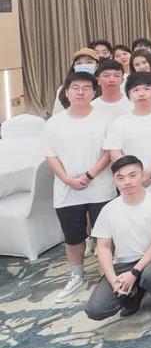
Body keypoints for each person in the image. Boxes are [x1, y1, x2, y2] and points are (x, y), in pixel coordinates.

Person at [44, 72, 115, 302]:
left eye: (86, 88)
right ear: (66, 92)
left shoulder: (105, 119)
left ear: (94, 92)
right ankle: (77, 275)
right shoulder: (54, 123)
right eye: (75, 88)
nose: (80, 92)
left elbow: (109, 152)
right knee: (73, 236)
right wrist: (67, 179)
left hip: (100, 187)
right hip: (67, 190)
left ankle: (108, 275)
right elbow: (51, 156)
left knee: (104, 234)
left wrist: (89, 174)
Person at [85, 155, 151, 328]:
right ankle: (135, 292)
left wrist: (134, 272)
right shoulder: (108, 210)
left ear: (142, 176)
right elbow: (103, 248)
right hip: (123, 263)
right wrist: (113, 280)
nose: (127, 182)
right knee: (95, 310)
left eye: (132, 175)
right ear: (115, 181)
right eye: (120, 178)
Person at [103, 72, 151, 260]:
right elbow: (114, 152)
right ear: (129, 94)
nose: (141, 93)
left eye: (147, 88)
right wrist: (134, 176)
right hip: (131, 186)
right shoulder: (120, 122)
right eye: (136, 89)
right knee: (135, 227)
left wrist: (149, 171)